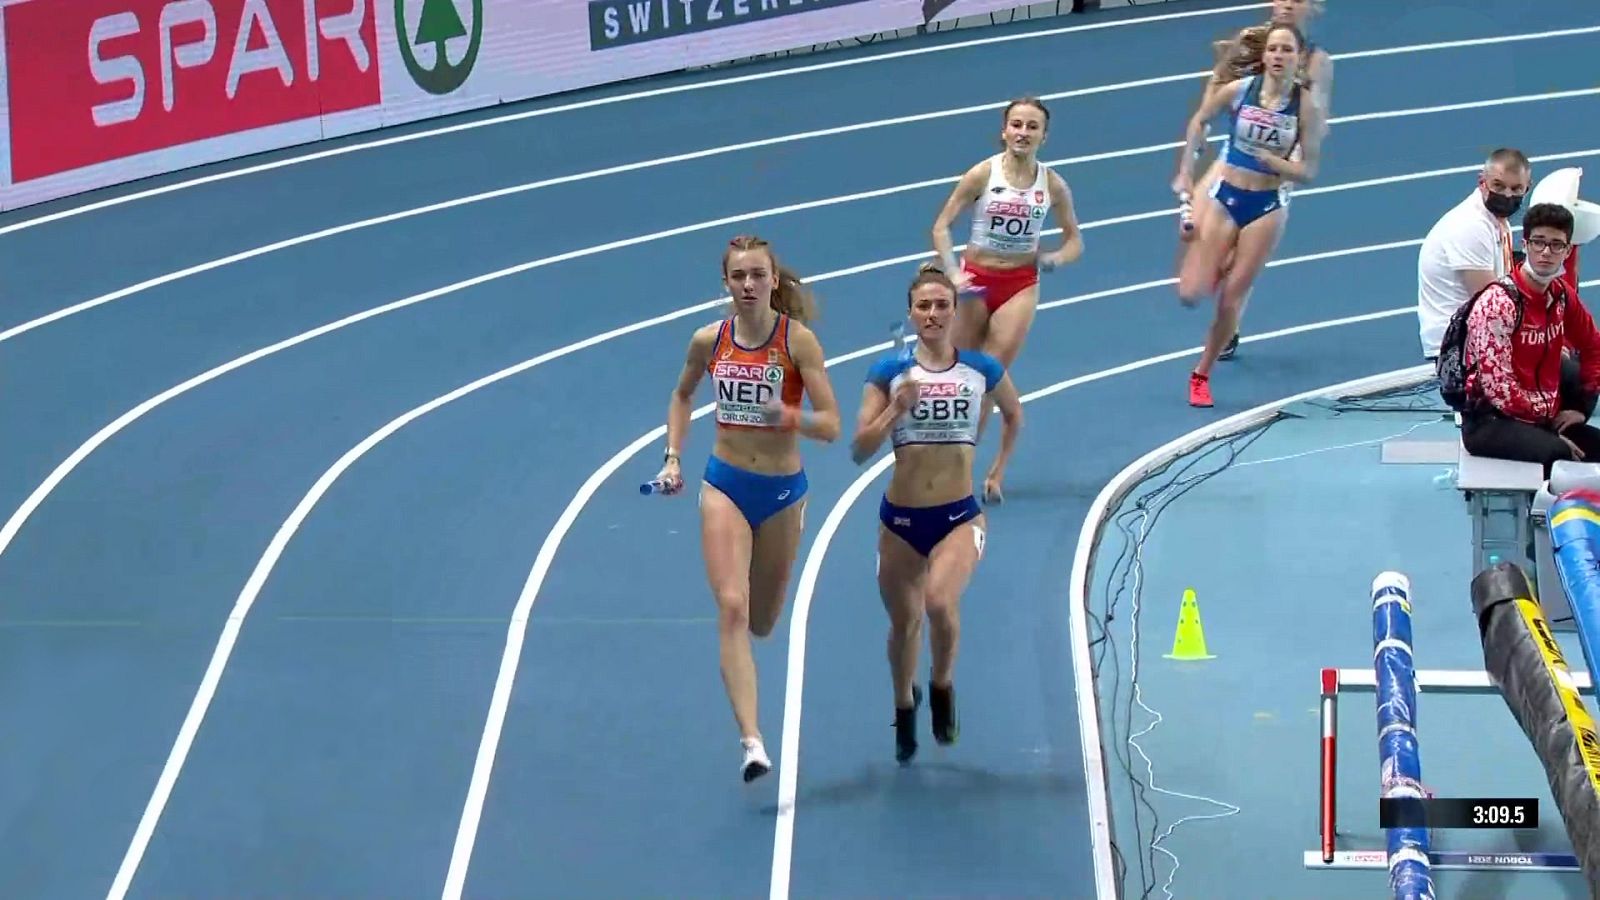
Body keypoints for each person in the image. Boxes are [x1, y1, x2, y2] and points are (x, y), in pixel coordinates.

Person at [652, 234, 842, 782]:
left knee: (761, 622)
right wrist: (672, 458)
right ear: (727, 284)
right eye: (739, 276)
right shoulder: (708, 340)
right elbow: (682, 395)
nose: (749, 284)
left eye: (758, 275)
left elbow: (832, 424)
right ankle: (752, 742)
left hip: (782, 492)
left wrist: (790, 418)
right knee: (732, 608)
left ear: (774, 280)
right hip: (726, 484)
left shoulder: (797, 341)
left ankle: (752, 729)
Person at [849, 262, 1023, 764]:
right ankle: (904, 706)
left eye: (941, 304)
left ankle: (942, 685)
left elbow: (1014, 415)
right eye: (923, 305)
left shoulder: (981, 370)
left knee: (940, 603)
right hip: (901, 522)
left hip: (958, 517)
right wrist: (894, 410)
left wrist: (996, 471)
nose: (932, 313)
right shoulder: (888, 373)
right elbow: (859, 450)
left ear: (953, 311)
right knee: (904, 624)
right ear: (911, 313)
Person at [1172, 21, 1325, 408]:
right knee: (1189, 294)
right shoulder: (1241, 90)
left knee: (1230, 300)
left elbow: (1308, 171)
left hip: (1266, 207)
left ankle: (1201, 373)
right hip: (1226, 196)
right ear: (1264, 55)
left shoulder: (1306, 106)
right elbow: (1199, 120)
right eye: (1273, 49)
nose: (1278, 56)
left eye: (1287, 50)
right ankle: (1222, 262)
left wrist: (1277, 163)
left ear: (1299, 59)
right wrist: (1187, 169)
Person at [929, 95, 1080, 464]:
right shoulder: (982, 174)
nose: (1023, 132)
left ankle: (961, 462)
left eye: (1032, 127)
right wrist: (953, 272)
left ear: (1044, 136)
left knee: (986, 376)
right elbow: (941, 227)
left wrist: (1056, 258)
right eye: (1017, 125)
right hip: (975, 282)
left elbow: (1075, 240)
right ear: (1004, 131)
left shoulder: (1053, 184)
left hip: (1019, 285)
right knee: (960, 373)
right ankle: (944, 446)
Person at [1459, 203, 1600, 473]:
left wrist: (1581, 408)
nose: (1546, 252)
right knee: (1558, 453)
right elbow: (1499, 388)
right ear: (1525, 245)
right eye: (1538, 242)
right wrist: (1544, 429)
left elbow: (1593, 345)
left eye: (1556, 245)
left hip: (1543, 415)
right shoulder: (1498, 303)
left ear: (1567, 251)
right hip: (1491, 421)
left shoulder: (1560, 294)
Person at [1417, 149, 1530, 361]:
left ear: (1527, 188)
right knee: (1564, 370)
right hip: (1456, 347)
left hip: (1477, 335)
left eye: (1516, 189)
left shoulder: (1495, 219)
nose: (1507, 195)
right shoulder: (1471, 226)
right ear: (1482, 182)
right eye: (1498, 186)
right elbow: (1491, 305)